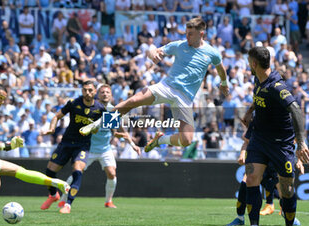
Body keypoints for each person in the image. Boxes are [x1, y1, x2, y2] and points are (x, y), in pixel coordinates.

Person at [80, 18, 229, 152]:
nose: (187, 37)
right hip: (167, 87)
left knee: (186, 140)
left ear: (201, 34)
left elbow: (221, 68)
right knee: (133, 101)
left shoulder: (211, 53)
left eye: (190, 34)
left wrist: (224, 83)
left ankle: (160, 140)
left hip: (185, 98)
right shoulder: (179, 45)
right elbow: (154, 50)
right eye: (186, 33)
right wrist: (153, 54)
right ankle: (98, 123)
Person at [0, 83, 70, 220]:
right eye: (0, 98)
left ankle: (55, 182)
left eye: (4, 99)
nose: (2, 102)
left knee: (20, 171)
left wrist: (8, 146)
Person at [241, 47, 309, 226]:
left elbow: (295, 110)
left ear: (254, 64)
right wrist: (249, 111)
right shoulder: (259, 80)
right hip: (259, 139)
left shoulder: (277, 87)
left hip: (281, 144)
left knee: (286, 190)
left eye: (249, 62)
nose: (248, 66)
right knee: (252, 178)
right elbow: (258, 96)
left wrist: (301, 142)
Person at [57, 84, 141, 209]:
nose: (105, 94)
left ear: (111, 95)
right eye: (102, 92)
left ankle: (108, 201)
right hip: (87, 148)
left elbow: (120, 130)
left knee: (112, 173)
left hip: (105, 149)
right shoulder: (91, 107)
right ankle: (63, 199)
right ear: (98, 94)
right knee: (77, 173)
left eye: (107, 92)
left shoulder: (113, 110)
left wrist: (133, 144)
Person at [40, 81, 105, 214]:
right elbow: (57, 116)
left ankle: (68, 204)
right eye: (85, 90)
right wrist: (52, 128)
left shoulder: (100, 108)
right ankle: (53, 195)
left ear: (94, 92)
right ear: (82, 91)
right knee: (50, 171)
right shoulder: (74, 103)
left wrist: (120, 133)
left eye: (90, 90)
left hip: (83, 145)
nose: (87, 93)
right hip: (66, 143)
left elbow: (112, 123)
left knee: (77, 170)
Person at [227, 120, 303, 226]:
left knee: (284, 193)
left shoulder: (284, 119)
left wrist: (299, 161)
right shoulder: (258, 118)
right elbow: (247, 140)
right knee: (245, 184)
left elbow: (296, 143)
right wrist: (242, 154)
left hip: (276, 162)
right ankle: (240, 218)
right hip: (260, 160)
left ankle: (288, 216)